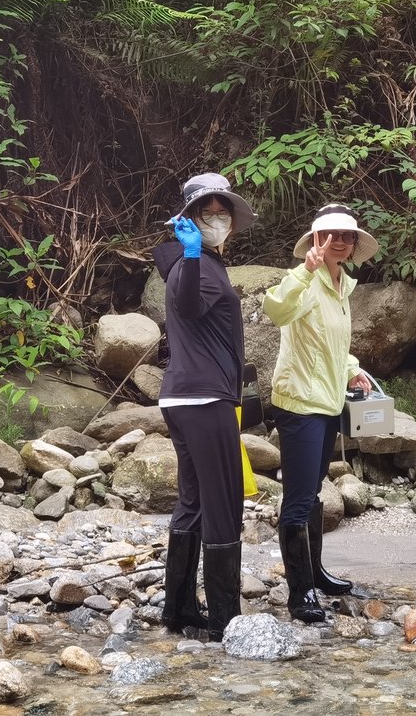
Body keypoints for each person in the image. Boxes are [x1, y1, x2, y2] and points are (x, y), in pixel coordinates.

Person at [152, 172, 256, 641]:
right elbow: (190, 307)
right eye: (205, 210)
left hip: (183, 396)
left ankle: (178, 610)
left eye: (222, 210)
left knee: (193, 500)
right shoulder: (195, 264)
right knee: (224, 501)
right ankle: (224, 620)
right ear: (189, 217)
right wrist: (194, 255)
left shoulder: (198, 263)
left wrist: (194, 256)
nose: (215, 217)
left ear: (231, 218)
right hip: (204, 397)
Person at [263, 203, 379, 623]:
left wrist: (352, 369)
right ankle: (300, 594)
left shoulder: (342, 286)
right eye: (332, 236)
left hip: (328, 402)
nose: (342, 243)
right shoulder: (306, 280)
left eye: (348, 237)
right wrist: (303, 270)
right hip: (300, 404)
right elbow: (275, 310)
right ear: (316, 241)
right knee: (297, 501)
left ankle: (316, 574)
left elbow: (333, 344)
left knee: (311, 495)